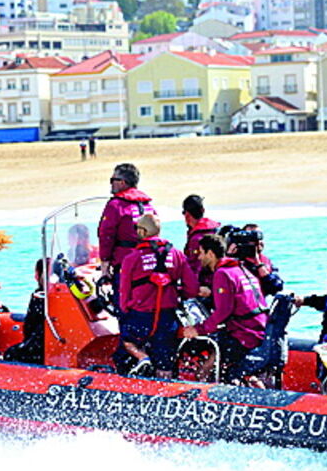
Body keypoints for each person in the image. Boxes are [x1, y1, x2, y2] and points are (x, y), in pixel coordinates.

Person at [115, 214, 198, 378]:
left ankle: (142, 358)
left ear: (142, 231)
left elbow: (123, 292)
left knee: (126, 344)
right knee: (165, 362)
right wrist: (177, 293)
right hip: (167, 318)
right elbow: (192, 288)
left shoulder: (132, 258)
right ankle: (165, 391)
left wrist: (125, 310)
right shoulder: (176, 255)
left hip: (140, 317)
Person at [181, 234, 267, 381]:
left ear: (210, 253)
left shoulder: (222, 273)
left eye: (201, 253)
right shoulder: (240, 269)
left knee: (205, 369)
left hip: (245, 335)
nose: (199, 258)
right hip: (260, 330)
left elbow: (223, 312)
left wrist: (197, 329)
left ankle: (201, 396)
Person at [97, 163, 156, 310]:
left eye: (113, 180)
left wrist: (105, 263)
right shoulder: (148, 205)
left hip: (125, 263)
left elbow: (106, 235)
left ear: (122, 182)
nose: (110, 184)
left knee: (124, 305)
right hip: (150, 262)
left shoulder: (116, 205)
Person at [3, 258, 49, 364]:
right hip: (47, 344)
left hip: (39, 348)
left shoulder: (39, 296)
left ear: (37, 275)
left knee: (10, 354)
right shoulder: (62, 294)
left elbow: (30, 326)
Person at [226, 226, 284, 297]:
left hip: (260, 304)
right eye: (252, 238)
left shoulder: (265, 261)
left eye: (260, 237)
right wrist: (228, 256)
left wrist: (259, 265)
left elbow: (276, 287)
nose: (258, 241)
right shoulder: (233, 261)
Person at [182, 194, 220, 279]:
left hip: (205, 284)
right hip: (217, 278)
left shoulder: (196, 239)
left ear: (187, 215)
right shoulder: (215, 230)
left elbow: (194, 268)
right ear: (203, 210)